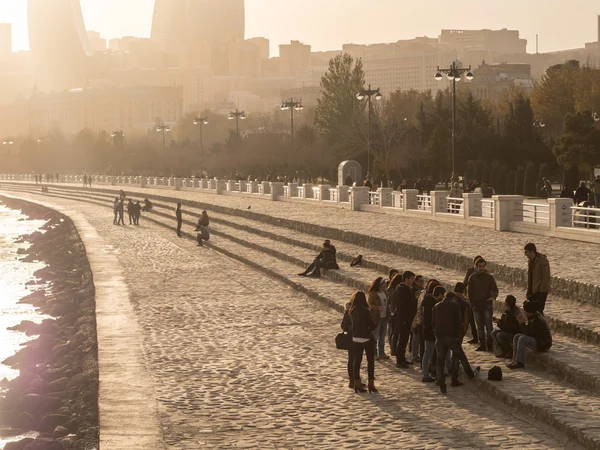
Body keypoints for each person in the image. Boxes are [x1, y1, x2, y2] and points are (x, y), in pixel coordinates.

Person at [433, 292, 480, 394]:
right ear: (453, 298)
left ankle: (441, 383)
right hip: (452, 336)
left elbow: (434, 322)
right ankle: (468, 375)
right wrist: (458, 334)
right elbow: (458, 321)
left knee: (440, 361)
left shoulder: (437, 306)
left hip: (440, 337)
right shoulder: (455, 305)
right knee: (460, 356)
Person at [507, 300, 552, 370]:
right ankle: (515, 360)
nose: (523, 312)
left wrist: (522, 323)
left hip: (543, 343)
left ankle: (520, 362)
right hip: (537, 339)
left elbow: (528, 333)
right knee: (517, 336)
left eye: (524, 310)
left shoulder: (538, 320)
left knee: (522, 339)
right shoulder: (532, 316)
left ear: (529, 311)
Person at [467, 258, 498, 352]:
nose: (482, 268)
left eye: (483, 266)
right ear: (476, 267)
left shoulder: (489, 277)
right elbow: (469, 292)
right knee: (479, 326)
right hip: (476, 305)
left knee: (489, 326)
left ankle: (490, 345)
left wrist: (493, 297)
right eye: (480, 266)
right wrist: (472, 304)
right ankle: (482, 345)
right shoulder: (472, 278)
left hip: (487, 305)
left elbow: (495, 289)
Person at [349, 291, 378, 393]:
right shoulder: (366, 311)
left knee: (357, 361)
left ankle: (357, 382)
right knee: (370, 361)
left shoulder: (352, 310)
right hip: (366, 338)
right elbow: (372, 325)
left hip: (355, 338)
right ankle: (371, 383)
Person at [391, 271, 416, 368]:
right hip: (403, 319)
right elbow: (401, 307)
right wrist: (404, 320)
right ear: (406, 279)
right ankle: (399, 360)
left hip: (408, 318)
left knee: (405, 339)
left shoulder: (408, 289)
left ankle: (402, 358)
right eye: (411, 278)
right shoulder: (401, 290)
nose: (413, 280)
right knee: (402, 339)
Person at [421, 285, 445, 382]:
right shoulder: (433, 304)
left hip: (426, 330)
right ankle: (425, 375)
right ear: (439, 295)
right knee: (428, 353)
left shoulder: (427, 301)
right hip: (430, 331)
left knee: (428, 353)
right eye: (442, 295)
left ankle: (427, 372)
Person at [341, 300, 365, 390]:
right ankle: (352, 380)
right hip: (352, 338)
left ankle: (356, 380)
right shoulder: (348, 313)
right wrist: (353, 328)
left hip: (358, 337)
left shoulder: (359, 313)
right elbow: (344, 326)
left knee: (357, 360)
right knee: (352, 360)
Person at [524, 243, 551, 314]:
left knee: (538, 311)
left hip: (541, 291)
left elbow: (546, 277)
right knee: (533, 312)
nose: (525, 254)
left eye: (526, 252)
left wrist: (540, 291)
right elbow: (530, 278)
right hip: (533, 291)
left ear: (532, 252)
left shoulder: (542, 260)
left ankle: (542, 325)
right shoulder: (530, 262)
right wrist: (529, 291)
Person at [367, 277, 389, 360]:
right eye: (384, 284)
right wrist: (378, 308)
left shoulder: (384, 292)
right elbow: (369, 305)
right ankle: (374, 353)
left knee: (382, 336)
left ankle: (381, 353)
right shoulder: (373, 294)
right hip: (377, 317)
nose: (385, 285)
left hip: (384, 316)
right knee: (375, 336)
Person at [463, 255, 483, 345]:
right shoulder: (470, 272)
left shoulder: (485, 273)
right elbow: (465, 283)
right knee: (471, 319)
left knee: (480, 320)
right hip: (470, 298)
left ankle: (481, 337)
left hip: (481, 299)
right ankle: (475, 336)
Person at [409, 275, 425, 361]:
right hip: (415, 316)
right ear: (416, 282)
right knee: (416, 336)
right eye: (421, 281)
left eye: (423, 281)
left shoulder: (420, 290)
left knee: (416, 336)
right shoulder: (415, 291)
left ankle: (414, 354)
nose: (423, 283)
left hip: (417, 315)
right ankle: (414, 355)